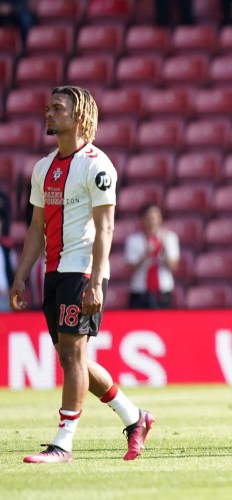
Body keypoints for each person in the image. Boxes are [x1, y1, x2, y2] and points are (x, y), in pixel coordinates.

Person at [10, 86, 154, 463]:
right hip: (53, 272)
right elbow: (36, 228)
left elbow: (106, 228)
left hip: (82, 271)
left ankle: (63, 442)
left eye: (58, 107)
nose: (49, 112)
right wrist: (22, 275)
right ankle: (134, 416)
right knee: (73, 360)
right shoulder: (43, 168)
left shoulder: (97, 165)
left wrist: (96, 279)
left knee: (73, 356)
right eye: (48, 107)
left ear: (79, 115)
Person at [125, 203, 179, 309]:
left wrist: (163, 251)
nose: (152, 221)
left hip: (163, 293)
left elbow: (174, 267)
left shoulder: (169, 238)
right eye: (149, 218)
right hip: (140, 293)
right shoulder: (133, 240)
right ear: (142, 219)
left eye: (155, 217)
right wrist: (145, 255)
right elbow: (130, 269)